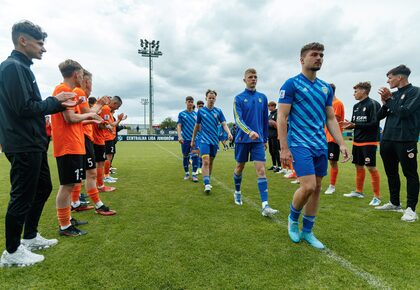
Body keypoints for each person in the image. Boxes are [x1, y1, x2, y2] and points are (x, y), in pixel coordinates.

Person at [0, 20, 77, 267]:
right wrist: (55, 101)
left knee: (42, 188)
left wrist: (54, 101)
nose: (43, 49)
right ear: (23, 40)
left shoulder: (22, 67)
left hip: (32, 142)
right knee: (22, 195)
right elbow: (24, 108)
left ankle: (30, 236)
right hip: (22, 143)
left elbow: (27, 105)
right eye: (40, 43)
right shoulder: (13, 67)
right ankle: (12, 252)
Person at [278, 42, 350, 249]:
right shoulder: (291, 84)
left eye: (321, 55)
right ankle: (293, 220)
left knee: (317, 188)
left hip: (320, 144)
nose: (319, 58)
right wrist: (284, 148)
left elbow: (331, 119)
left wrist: (342, 143)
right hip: (299, 143)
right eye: (314, 54)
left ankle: (308, 231)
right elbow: (282, 117)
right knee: (308, 186)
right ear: (302, 59)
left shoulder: (325, 87)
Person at [51, 59, 103, 237]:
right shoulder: (63, 90)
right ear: (76, 74)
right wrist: (91, 115)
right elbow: (70, 119)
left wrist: (91, 118)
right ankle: (65, 226)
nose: (84, 77)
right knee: (66, 185)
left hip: (73, 144)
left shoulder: (66, 91)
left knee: (71, 183)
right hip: (68, 145)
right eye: (82, 74)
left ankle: (67, 220)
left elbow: (74, 119)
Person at [376, 65, 420, 222]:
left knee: (410, 174)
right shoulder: (392, 95)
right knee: (391, 172)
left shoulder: (415, 92)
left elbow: (404, 112)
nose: (388, 81)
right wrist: (385, 102)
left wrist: (389, 100)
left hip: (406, 139)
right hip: (388, 139)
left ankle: (411, 209)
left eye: (390, 77)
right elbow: (379, 116)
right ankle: (395, 203)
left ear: (399, 77)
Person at [70, 69, 116, 216]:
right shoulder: (79, 92)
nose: (91, 85)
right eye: (90, 81)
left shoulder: (76, 93)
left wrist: (99, 120)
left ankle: (76, 202)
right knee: (89, 173)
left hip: (85, 137)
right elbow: (85, 115)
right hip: (83, 138)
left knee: (85, 173)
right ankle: (97, 204)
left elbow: (86, 116)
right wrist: (100, 104)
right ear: (86, 81)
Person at [233, 68, 279, 217]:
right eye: (250, 77)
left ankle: (265, 206)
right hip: (242, 139)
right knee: (240, 167)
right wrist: (249, 131)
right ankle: (237, 192)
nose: (253, 79)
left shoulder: (262, 98)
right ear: (244, 80)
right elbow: (238, 120)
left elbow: (264, 120)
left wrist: (264, 138)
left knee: (261, 170)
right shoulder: (238, 98)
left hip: (258, 140)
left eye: (255, 77)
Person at [342, 82, 381, 206]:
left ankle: (377, 197)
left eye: (356, 91)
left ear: (364, 91)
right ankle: (359, 191)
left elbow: (374, 124)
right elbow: (355, 123)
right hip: (357, 141)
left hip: (369, 141)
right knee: (358, 166)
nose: (354, 94)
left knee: (371, 167)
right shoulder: (356, 106)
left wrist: (355, 125)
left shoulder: (373, 104)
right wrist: (348, 125)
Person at [191, 90, 232, 193]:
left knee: (211, 162)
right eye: (209, 98)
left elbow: (224, 124)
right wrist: (193, 139)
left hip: (214, 141)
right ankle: (207, 184)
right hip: (204, 140)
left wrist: (229, 133)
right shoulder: (201, 111)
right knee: (205, 161)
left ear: (215, 99)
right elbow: (196, 126)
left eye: (213, 98)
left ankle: (207, 178)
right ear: (206, 98)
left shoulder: (218, 111)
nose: (211, 100)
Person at [324, 84, 345, 195]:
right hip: (324, 138)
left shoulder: (337, 104)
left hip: (333, 138)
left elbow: (333, 120)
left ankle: (332, 186)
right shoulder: (328, 104)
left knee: (333, 162)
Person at [177, 96, 199, 182]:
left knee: (195, 156)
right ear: (186, 102)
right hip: (185, 139)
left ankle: (194, 174)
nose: (190, 103)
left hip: (195, 139)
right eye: (189, 101)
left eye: (192, 102)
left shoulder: (196, 114)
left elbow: (199, 127)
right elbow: (179, 125)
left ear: (193, 103)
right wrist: (179, 136)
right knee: (185, 156)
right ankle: (186, 173)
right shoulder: (182, 114)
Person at [267, 101, 281, 173]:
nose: (269, 108)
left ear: (274, 106)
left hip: (275, 135)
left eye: (270, 106)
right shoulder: (269, 115)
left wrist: (273, 124)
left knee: (276, 151)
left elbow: (278, 125)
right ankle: (274, 165)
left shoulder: (277, 113)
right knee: (271, 151)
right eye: (268, 106)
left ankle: (279, 166)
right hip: (270, 136)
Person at [196, 100, 204, 174]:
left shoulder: (205, 114)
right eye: (199, 106)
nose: (201, 107)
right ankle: (198, 167)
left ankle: (199, 167)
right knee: (197, 152)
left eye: (202, 106)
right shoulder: (195, 115)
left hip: (204, 136)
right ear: (197, 107)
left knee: (201, 153)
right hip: (196, 137)